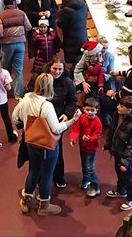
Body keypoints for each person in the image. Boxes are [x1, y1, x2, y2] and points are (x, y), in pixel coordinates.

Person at [12, 73, 82, 216]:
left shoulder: (26, 98)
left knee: (33, 171)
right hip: (46, 146)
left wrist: (26, 124)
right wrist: (73, 120)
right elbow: (56, 129)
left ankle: (26, 201)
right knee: (47, 175)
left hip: (30, 142)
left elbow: (14, 117)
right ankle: (44, 206)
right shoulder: (47, 105)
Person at [25, 55, 78, 189]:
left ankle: (58, 176)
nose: (57, 72)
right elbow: (28, 94)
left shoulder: (67, 82)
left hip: (57, 121)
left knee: (56, 149)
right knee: (36, 150)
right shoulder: (38, 78)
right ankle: (37, 177)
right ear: (49, 67)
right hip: (39, 121)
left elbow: (72, 101)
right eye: (55, 68)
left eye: (60, 69)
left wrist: (67, 114)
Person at [104, 96, 132, 211]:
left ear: (129, 110)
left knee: (128, 176)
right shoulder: (118, 114)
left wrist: (125, 161)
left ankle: (131, 198)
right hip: (117, 150)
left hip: (126, 154)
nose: (117, 107)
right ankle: (121, 190)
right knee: (118, 171)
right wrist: (108, 144)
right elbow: (113, 130)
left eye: (121, 106)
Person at [0, 0, 32, 100]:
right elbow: (28, 27)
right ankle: (18, 93)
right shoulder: (22, 13)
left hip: (7, 45)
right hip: (20, 44)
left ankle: (5, 90)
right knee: (18, 69)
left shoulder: (1, 16)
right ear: (14, 2)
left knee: (6, 68)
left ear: (4, 4)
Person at [70, 97, 102, 197]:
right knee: (84, 166)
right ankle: (86, 180)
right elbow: (76, 129)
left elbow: (97, 135)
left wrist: (90, 139)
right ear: (83, 109)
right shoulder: (82, 118)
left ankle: (95, 187)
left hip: (91, 149)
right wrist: (73, 139)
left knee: (90, 168)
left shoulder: (97, 122)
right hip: (83, 146)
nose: (89, 112)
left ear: (96, 110)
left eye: (92, 110)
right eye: (87, 110)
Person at [56, 0, 87, 65]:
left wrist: (57, 21)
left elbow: (61, 23)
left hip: (71, 39)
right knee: (80, 57)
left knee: (73, 59)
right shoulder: (82, 3)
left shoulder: (67, 10)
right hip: (82, 35)